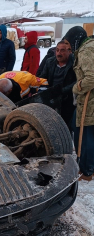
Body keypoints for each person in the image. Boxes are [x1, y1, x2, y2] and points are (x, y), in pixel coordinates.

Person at [65, 26, 94, 181]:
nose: (70, 48)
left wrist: (76, 88)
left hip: (90, 101)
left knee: (85, 134)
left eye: (69, 45)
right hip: (89, 99)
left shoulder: (85, 51)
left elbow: (91, 77)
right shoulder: (91, 46)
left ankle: (87, 170)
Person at [38, 40, 76, 130]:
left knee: (65, 128)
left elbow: (77, 82)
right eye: (57, 50)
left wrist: (61, 91)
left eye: (62, 50)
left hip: (67, 100)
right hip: (52, 99)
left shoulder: (74, 64)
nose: (59, 53)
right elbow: (43, 78)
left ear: (69, 52)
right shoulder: (50, 62)